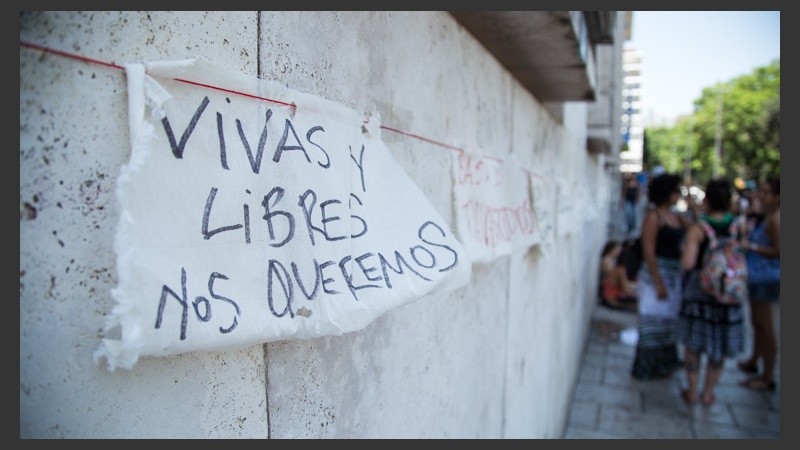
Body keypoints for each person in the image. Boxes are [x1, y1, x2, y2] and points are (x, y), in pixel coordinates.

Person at [677, 178, 747, 406]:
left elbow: (688, 263)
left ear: (707, 198)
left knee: (694, 344)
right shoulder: (738, 225)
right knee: (719, 346)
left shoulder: (699, 228)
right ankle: (708, 393)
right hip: (729, 294)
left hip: (701, 292)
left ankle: (693, 390)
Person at [631, 173, 691, 380]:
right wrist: (658, 282)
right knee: (651, 321)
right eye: (675, 191)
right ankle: (648, 365)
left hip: (674, 276)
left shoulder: (678, 218)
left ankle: (665, 362)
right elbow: (648, 250)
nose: (678, 195)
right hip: (656, 274)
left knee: (668, 322)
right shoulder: (654, 217)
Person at [737, 177, 780, 391]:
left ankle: (768, 375)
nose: (760, 196)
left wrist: (751, 246)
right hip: (759, 277)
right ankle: (754, 360)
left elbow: (779, 251)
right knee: (757, 322)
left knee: (766, 326)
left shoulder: (776, 220)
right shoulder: (768, 217)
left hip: (767, 277)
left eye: (765, 192)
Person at [599, 240, 637, 311]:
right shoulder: (608, 262)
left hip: (610, 291)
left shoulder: (615, 263)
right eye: (617, 249)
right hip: (609, 294)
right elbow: (623, 286)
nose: (619, 251)